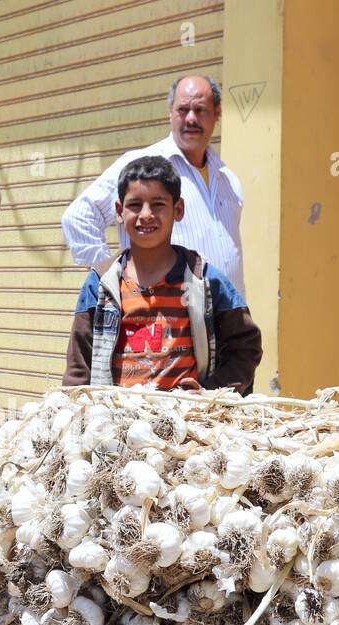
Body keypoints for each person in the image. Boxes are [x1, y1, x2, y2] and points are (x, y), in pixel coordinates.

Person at [63, 156, 261, 394]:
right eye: (135, 205)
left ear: (178, 210)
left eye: (158, 204)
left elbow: (245, 346)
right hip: (118, 424)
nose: (146, 214)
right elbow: (79, 366)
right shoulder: (101, 283)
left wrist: (212, 393)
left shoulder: (204, 279)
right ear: (119, 211)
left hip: (186, 423)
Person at [61, 74, 245, 295]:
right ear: (170, 112)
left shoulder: (228, 180)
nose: (191, 119)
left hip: (226, 320)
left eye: (200, 110)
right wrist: (116, 281)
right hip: (164, 321)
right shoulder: (141, 166)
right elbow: (78, 217)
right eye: (183, 110)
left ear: (217, 113)